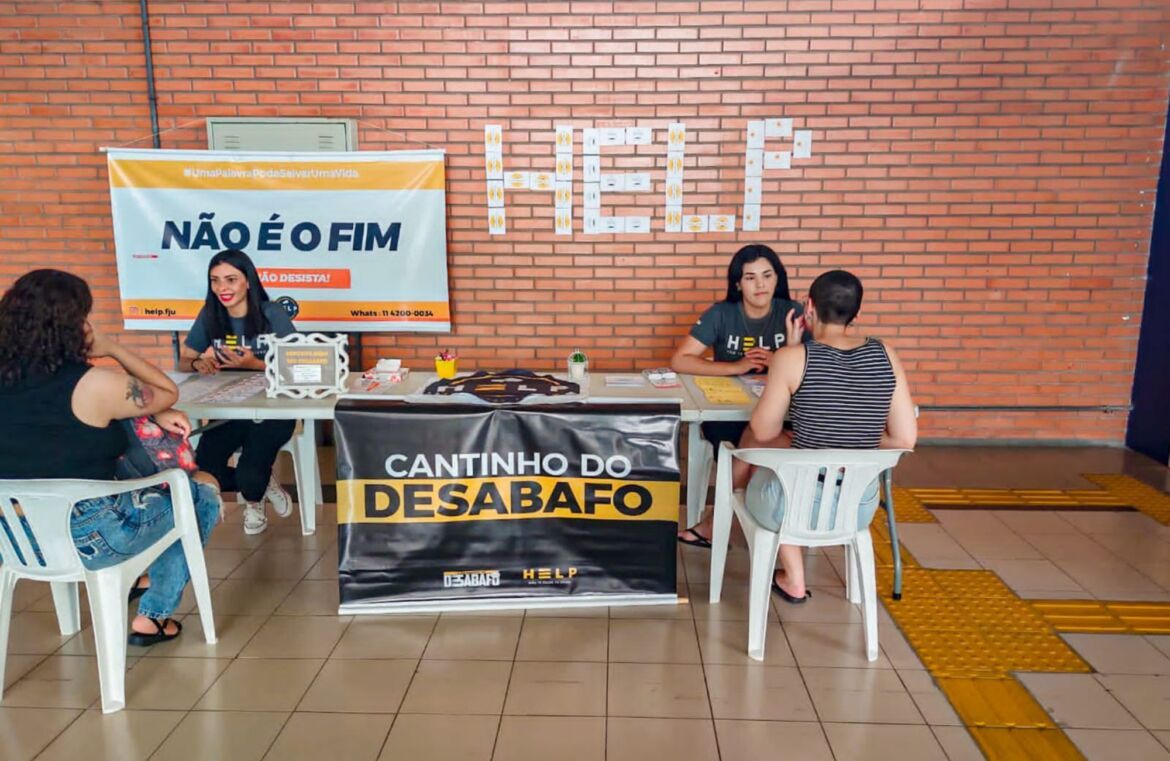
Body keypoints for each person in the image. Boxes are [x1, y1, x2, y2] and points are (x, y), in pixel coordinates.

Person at [0, 269, 221, 645]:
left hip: (16, 538)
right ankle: (153, 615)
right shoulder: (93, 384)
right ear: (74, 325)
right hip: (93, 537)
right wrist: (113, 349)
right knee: (199, 493)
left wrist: (150, 413)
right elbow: (166, 390)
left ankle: (141, 578)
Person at [744, 269, 917, 602]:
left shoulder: (793, 357)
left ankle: (793, 577)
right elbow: (904, 440)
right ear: (856, 313)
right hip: (858, 508)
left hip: (794, 506)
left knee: (756, 464)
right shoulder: (886, 354)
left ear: (809, 307)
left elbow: (763, 432)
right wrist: (856, 433)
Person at [673, 244, 805, 548]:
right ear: (737, 284)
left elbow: (818, 364)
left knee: (762, 447)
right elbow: (680, 360)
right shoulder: (722, 313)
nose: (760, 284)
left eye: (767, 275)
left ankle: (722, 525)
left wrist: (782, 359)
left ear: (778, 278)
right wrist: (737, 366)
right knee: (758, 448)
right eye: (750, 277)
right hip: (728, 413)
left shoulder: (793, 313)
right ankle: (767, 535)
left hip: (783, 414)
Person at [178, 248, 297, 535]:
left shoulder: (272, 313)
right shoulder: (210, 315)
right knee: (203, 469)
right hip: (229, 407)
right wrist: (197, 363)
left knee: (249, 473)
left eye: (231, 279)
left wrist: (254, 364)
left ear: (248, 281)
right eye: (215, 280)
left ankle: (254, 497)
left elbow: (297, 366)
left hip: (276, 408)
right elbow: (184, 360)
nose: (222, 288)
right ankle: (261, 484)